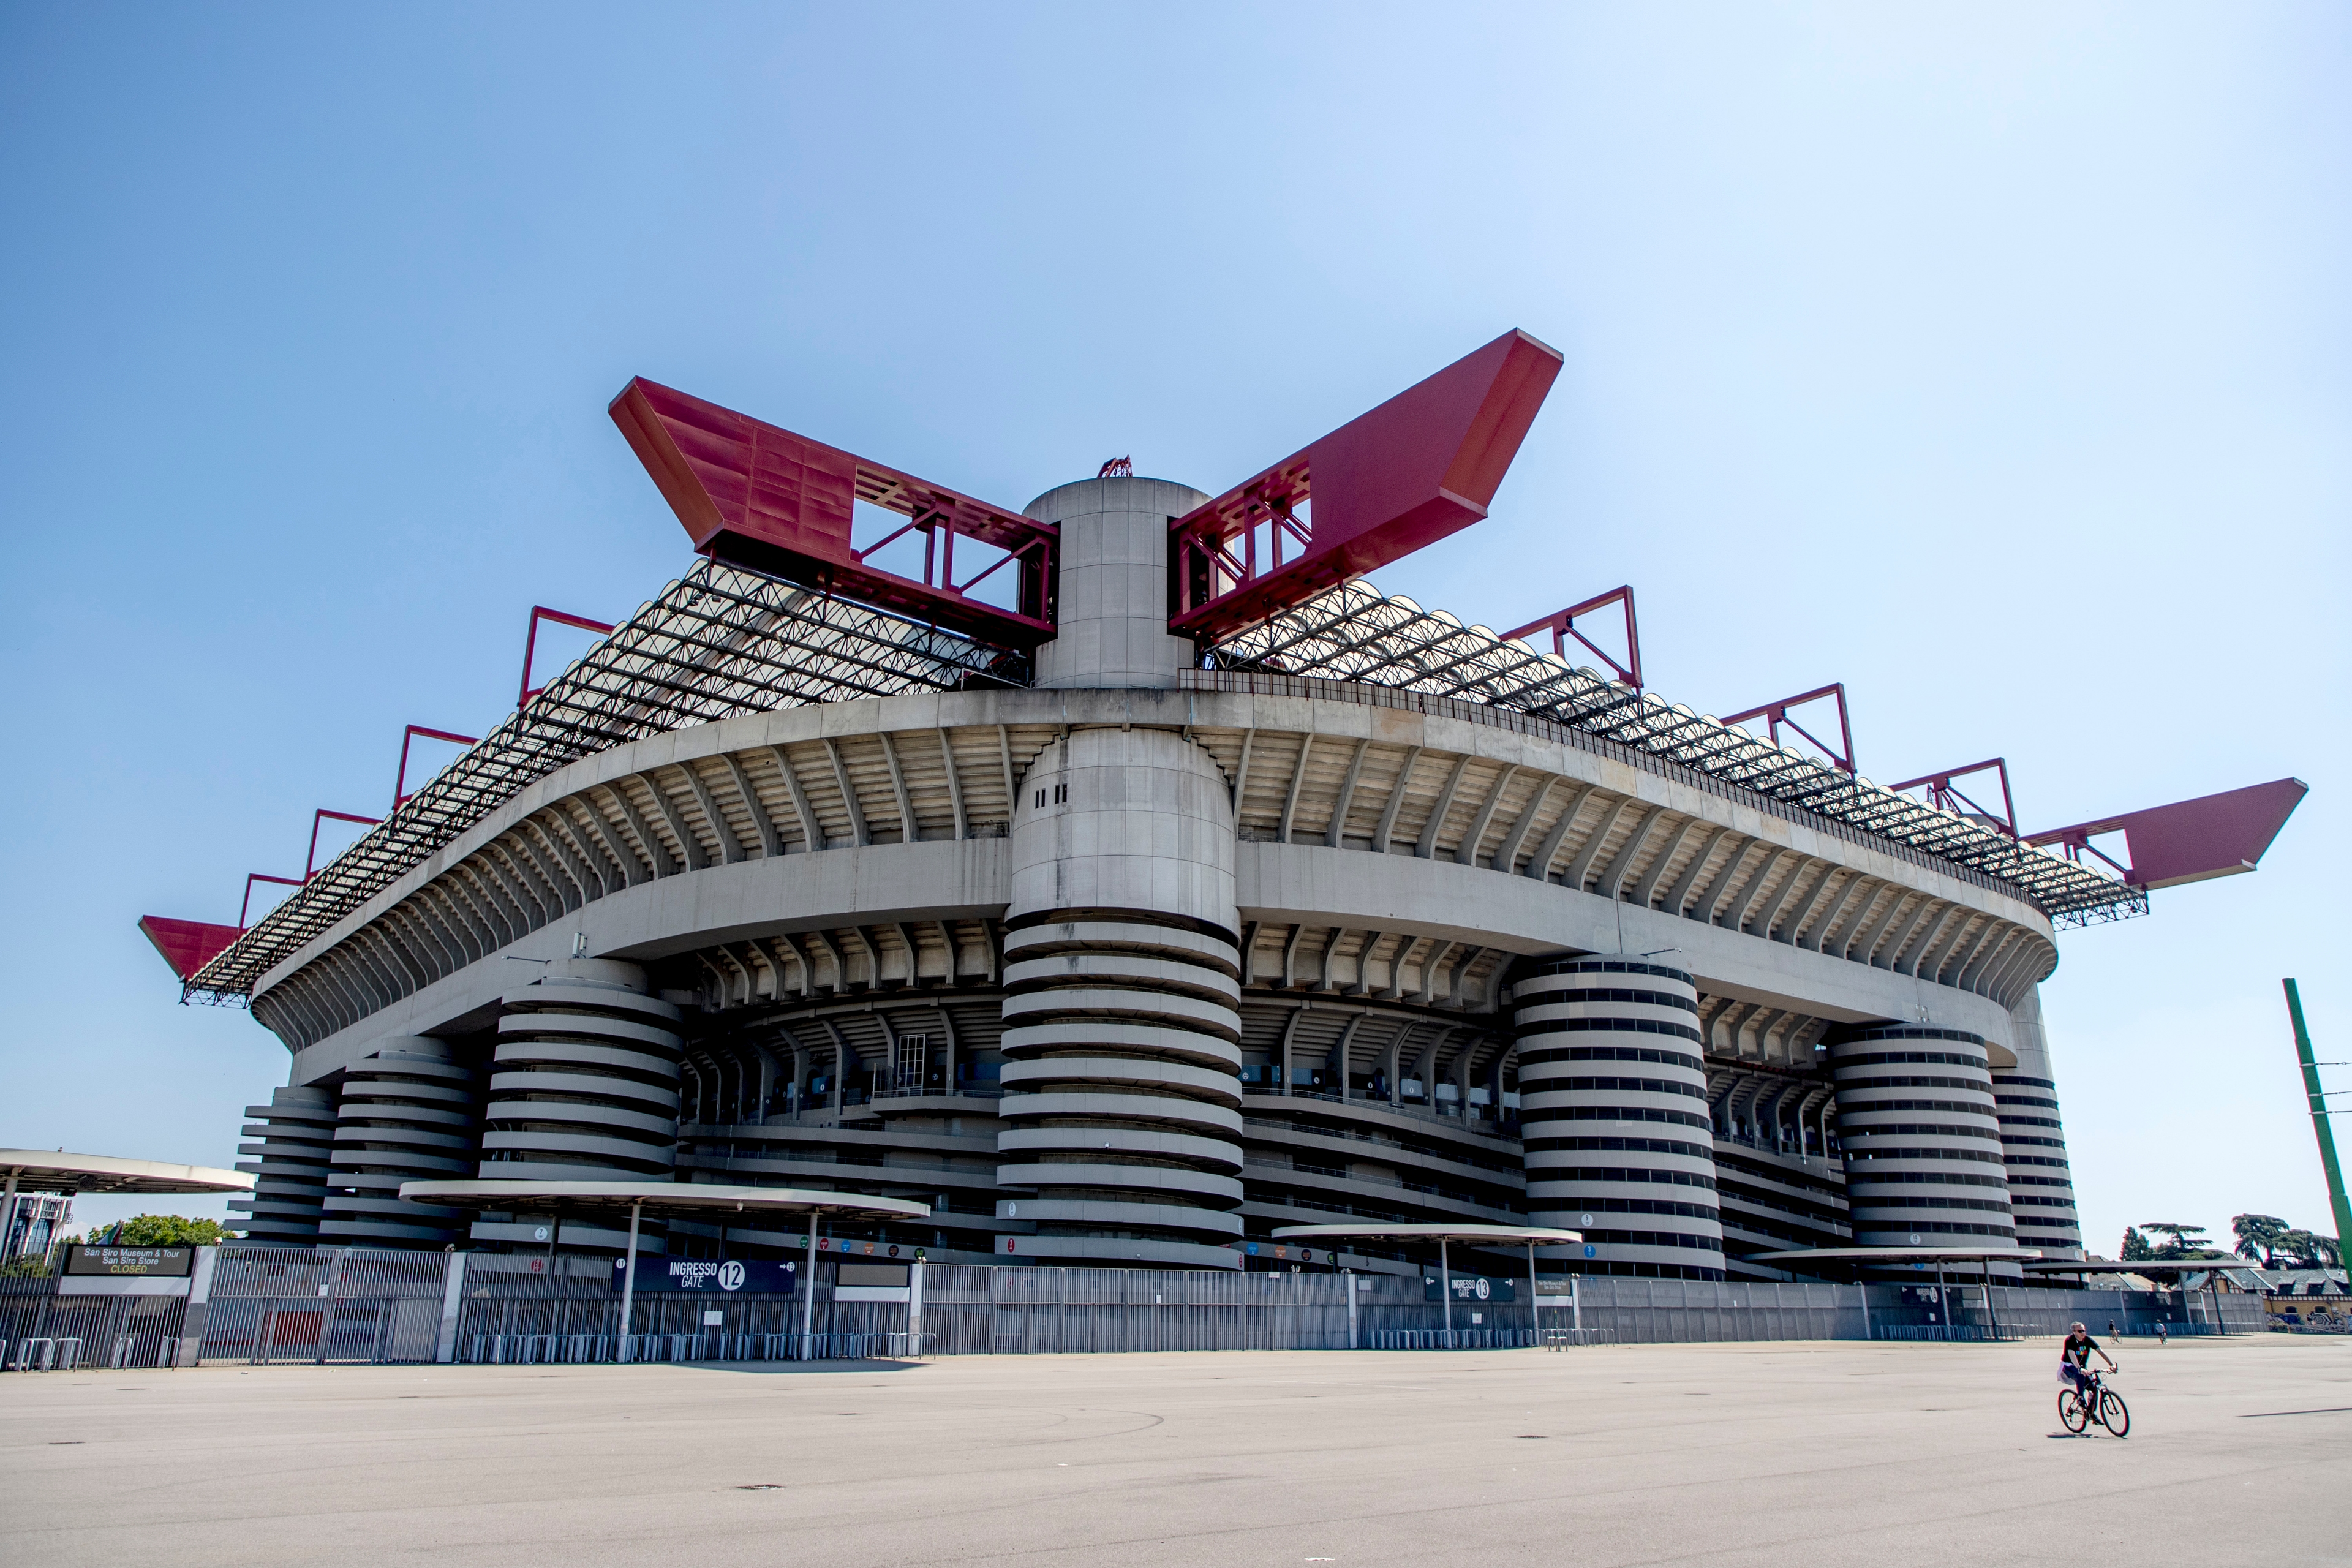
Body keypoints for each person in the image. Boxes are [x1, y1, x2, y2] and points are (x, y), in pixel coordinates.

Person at [2060, 1322, 2117, 1409]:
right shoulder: (2070, 1340)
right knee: (2080, 1374)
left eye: (2084, 1331)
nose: (2083, 1333)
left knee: (2094, 1388)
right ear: (2074, 1332)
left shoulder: (2087, 1340)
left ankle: (2091, 1412)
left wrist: (2111, 1365)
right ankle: (2080, 1398)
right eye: (2080, 1331)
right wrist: (2079, 1368)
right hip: (2068, 1367)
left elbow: (2101, 1352)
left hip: (2082, 1368)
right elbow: (2072, 1355)